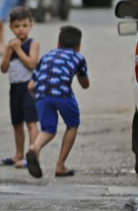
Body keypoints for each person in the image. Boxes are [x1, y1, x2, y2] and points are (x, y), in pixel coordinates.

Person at [25, 25, 90, 178]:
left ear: (58, 44)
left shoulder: (46, 56)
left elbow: (30, 86)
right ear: (79, 46)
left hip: (41, 94)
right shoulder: (78, 58)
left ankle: (35, 147)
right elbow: (85, 84)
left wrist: (40, 99)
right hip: (62, 94)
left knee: (48, 129)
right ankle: (60, 166)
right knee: (72, 124)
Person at [0, 7, 39, 168]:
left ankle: (32, 154)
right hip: (14, 88)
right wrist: (9, 50)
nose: (20, 29)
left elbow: (31, 64)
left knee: (31, 122)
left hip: (29, 88)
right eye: (17, 26)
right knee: (17, 123)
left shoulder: (32, 44)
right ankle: (19, 154)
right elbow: (3, 68)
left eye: (24, 25)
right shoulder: (10, 46)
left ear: (30, 26)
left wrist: (17, 49)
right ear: (11, 28)